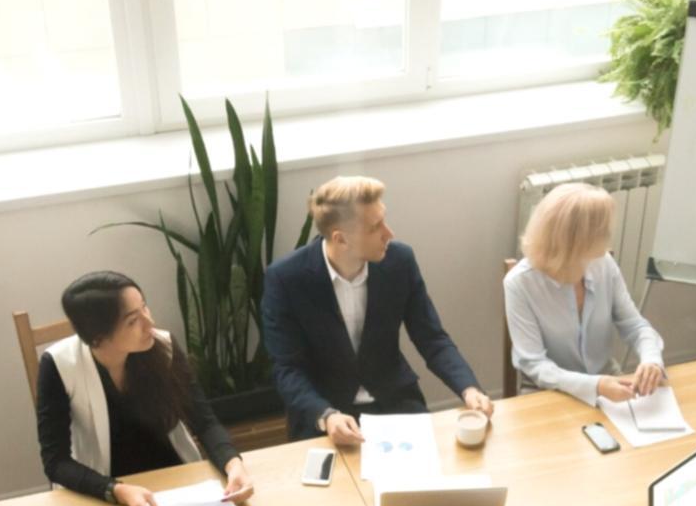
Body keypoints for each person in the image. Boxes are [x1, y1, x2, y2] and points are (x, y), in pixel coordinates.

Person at [261, 176, 494, 443]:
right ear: (341, 239)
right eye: (375, 227)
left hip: (395, 403)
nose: (389, 233)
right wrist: (325, 415)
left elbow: (432, 338)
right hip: (326, 413)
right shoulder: (286, 279)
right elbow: (287, 369)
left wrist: (468, 388)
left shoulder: (400, 262)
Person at [36, 271, 253, 506]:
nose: (150, 322)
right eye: (132, 320)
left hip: (176, 484)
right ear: (97, 337)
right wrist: (119, 491)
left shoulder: (164, 346)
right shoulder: (59, 365)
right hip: (105, 491)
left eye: (145, 307)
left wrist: (233, 464)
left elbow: (204, 421)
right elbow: (56, 462)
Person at [504, 183, 665, 405]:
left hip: (609, 386)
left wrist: (652, 360)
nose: (610, 234)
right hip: (549, 394)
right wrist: (595, 386)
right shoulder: (520, 284)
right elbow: (534, 364)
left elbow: (635, 326)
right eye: (604, 229)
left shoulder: (604, 264)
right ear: (579, 239)